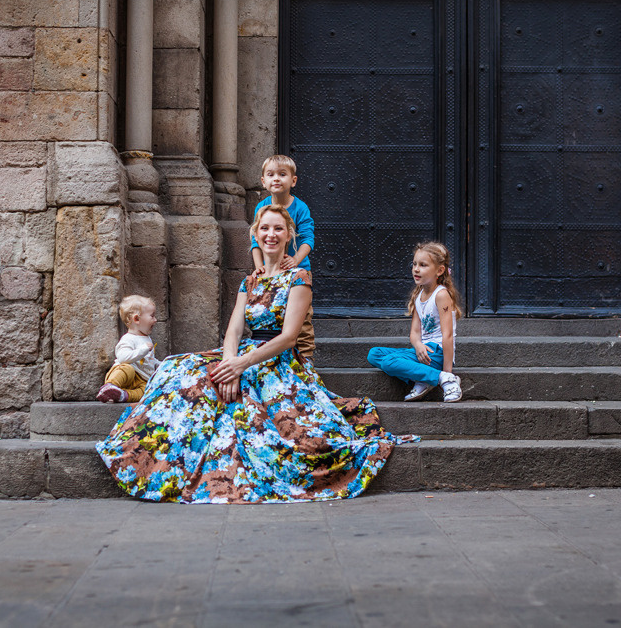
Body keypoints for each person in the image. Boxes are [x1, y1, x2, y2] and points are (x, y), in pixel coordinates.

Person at [96, 204, 415, 504]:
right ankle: (149, 452)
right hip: (242, 354)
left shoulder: (299, 278)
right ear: (256, 234)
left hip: (277, 360)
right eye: (265, 228)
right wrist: (228, 364)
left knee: (246, 402)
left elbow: (289, 337)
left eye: (278, 228)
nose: (271, 234)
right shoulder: (250, 281)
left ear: (289, 234)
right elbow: (233, 331)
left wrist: (242, 365)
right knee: (174, 367)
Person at [367, 242, 464, 402]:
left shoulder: (441, 295)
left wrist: (448, 371)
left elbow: (448, 335)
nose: (416, 269)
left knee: (389, 362)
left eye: (423, 265)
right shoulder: (419, 296)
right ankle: (425, 378)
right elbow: (414, 333)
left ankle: (443, 378)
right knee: (374, 354)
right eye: (414, 264)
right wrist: (418, 345)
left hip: (437, 353)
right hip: (423, 352)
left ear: (439, 271)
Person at [249, 154, 316, 359]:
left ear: (293, 181)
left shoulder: (300, 208)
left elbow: (308, 239)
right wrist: (260, 267)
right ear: (263, 181)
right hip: (269, 272)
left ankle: (306, 363)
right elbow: (255, 241)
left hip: (296, 271)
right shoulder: (262, 207)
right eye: (270, 175)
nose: (276, 178)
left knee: (301, 322)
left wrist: (295, 261)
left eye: (282, 174)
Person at [96, 295, 161, 403]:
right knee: (127, 369)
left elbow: (148, 361)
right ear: (136, 319)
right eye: (152, 316)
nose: (155, 320)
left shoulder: (147, 339)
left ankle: (123, 395)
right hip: (127, 376)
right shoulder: (128, 339)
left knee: (148, 390)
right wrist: (142, 350)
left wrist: (160, 365)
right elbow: (123, 358)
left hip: (142, 379)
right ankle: (110, 385)